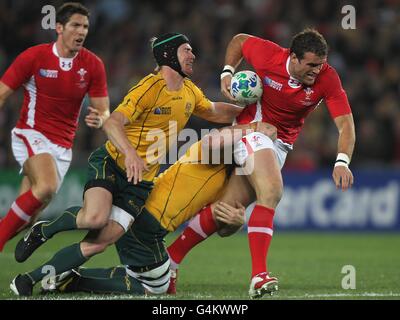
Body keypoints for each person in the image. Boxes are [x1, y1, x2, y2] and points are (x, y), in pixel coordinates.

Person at [10, 32, 244, 296]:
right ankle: (45, 229)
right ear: (168, 55)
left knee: (100, 243)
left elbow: (214, 111)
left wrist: (251, 113)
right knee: (94, 218)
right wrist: (131, 154)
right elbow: (112, 122)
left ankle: (29, 279)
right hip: (113, 163)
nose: (193, 55)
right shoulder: (148, 88)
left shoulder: (190, 92)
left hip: (139, 183)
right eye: (186, 50)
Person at [166, 28, 356, 298]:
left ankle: (169, 261)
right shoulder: (270, 57)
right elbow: (240, 41)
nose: (317, 70)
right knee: (272, 190)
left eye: (321, 64)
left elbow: (346, 125)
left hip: (280, 144)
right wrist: (227, 72)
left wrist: (341, 161)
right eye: (311, 65)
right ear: (294, 57)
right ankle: (258, 275)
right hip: (253, 130)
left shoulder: (328, 78)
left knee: (227, 210)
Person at [29, 122, 277, 296]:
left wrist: (236, 222)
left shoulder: (227, 178)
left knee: (154, 279)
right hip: (145, 220)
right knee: (155, 287)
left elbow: (218, 227)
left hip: (149, 222)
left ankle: (67, 276)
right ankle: (72, 280)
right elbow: (214, 139)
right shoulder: (207, 153)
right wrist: (253, 128)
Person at [0, 2, 110, 251]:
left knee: (25, 219)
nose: (81, 32)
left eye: (85, 27)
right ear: (59, 27)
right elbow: (2, 94)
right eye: (75, 25)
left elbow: (103, 110)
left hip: (62, 147)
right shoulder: (34, 56)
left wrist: (99, 118)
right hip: (30, 133)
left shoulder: (93, 65)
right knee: (47, 185)